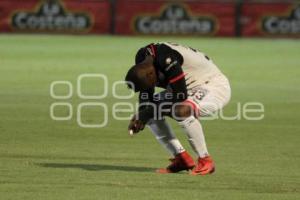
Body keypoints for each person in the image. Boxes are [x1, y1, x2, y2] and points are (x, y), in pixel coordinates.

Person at [125, 42, 231, 175]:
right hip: (186, 88)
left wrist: (147, 113)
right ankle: (182, 159)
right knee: (148, 111)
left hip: (212, 85)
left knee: (181, 110)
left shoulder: (166, 58)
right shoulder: (142, 59)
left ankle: (206, 161)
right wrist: (141, 116)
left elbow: (179, 96)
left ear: (152, 74)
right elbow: (146, 94)